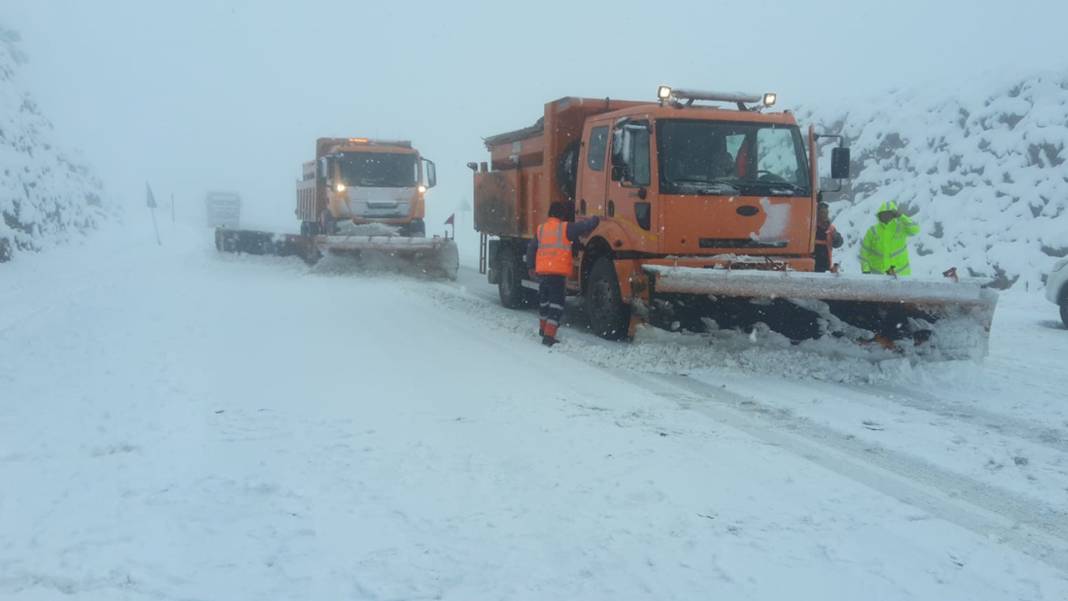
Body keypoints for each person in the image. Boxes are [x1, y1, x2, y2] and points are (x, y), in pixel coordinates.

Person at [526, 202, 600, 346]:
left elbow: (531, 248)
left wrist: (530, 266)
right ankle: (548, 336)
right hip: (557, 275)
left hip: (543, 273)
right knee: (557, 305)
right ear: (561, 215)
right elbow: (584, 227)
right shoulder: (565, 228)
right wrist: (597, 219)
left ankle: (543, 329)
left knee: (544, 301)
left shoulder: (541, 229)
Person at [860, 200, 919, 275]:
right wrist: (865, 270)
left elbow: (915, 230)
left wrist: (902, 217)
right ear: (879, 215)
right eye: (884, 214)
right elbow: (864, 252)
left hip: (901, 275)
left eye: (889, 214)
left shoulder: (901, 227)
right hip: (878, 276)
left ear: (894, 215)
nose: (886, 216)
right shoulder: (872, 231)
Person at [814, 201, 844, 272]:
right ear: (817, 214)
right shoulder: (811, 228)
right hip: (812, 264)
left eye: (826, 212)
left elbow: (838, 244)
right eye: (822, 212)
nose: (824, 215)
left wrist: (836, 238)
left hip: (825, 266)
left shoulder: (831, 228)